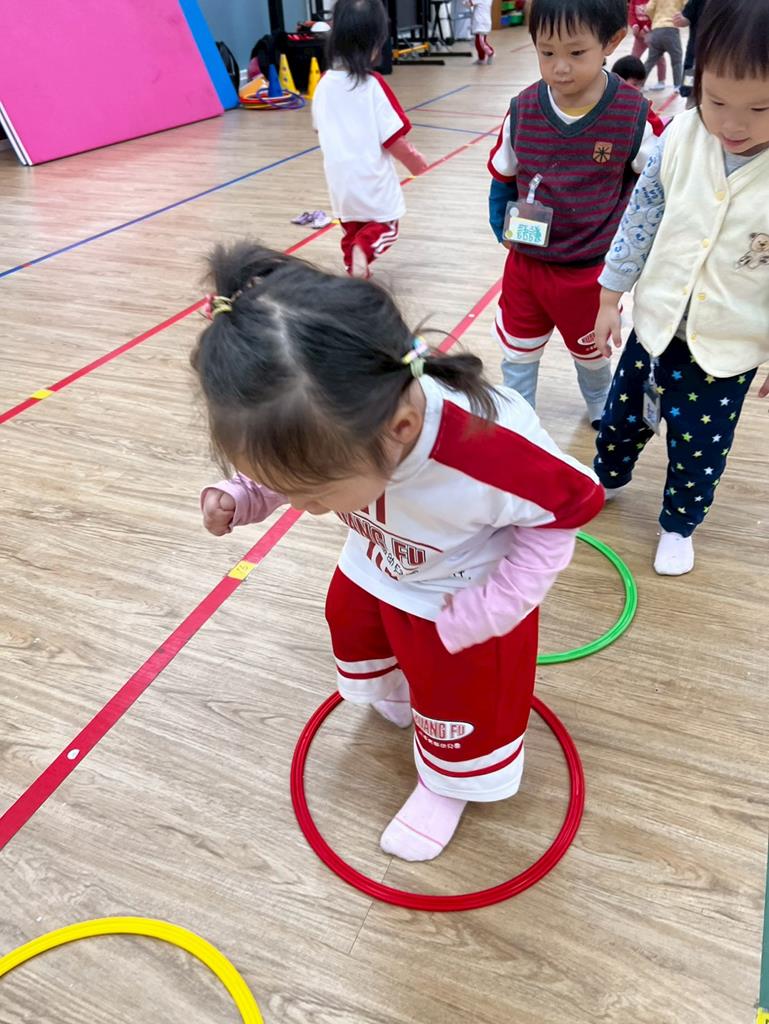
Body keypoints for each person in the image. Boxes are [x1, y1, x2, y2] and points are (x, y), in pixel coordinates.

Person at [193, 242, 604, 862]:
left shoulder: (490, 451)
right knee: (353, 625)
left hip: (460, 593)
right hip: (379, 559)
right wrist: (246, 492)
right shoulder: (341, 419)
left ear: (401, 430)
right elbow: (292, 464)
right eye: (289, 488)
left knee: (463, 696)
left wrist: (498, 605)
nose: (305, 508)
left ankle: (449, 781)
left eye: (315, 492)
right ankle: (404, 694)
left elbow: (569, 507)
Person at [593, 0, 769, 575]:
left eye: (760, 108)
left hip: (727, 350)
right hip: (654, 327)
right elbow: (639, 220)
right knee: (622, 417)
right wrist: (610, 295)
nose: (734, 125)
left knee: (700, 448)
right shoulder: (680, 137)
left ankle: (679, 523)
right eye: (715, 101)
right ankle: (607, 477)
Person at [488, 0, 655, 429]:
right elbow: (504, 175)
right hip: (526, 266)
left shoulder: (632, 115)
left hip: (589, 273)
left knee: (592, 353)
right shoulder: (523, 108)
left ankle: (600, 403)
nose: (560, 67)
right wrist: (500, 226)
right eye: (547, 52)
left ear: (611, 42)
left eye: (576, 53)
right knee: (518, 352)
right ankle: (518, 416)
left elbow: (654, 187)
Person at [311, 0, 429, 278]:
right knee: (386, 226)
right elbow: (393, 139)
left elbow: (319, 129)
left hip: (340, 182)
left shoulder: (323, 85)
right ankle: (361, 255)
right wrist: (416, 162)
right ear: (374, 45)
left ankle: (356, 275)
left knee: (352, 230)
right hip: (371, 180)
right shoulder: (373, 85)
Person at [611, 55, 666, 134]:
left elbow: (658, 127)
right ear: (619, 81)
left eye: (641, 84)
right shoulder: (606, 102)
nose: (638, 89)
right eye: (635, 84)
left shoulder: (641, 104)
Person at [643, 0, 684, 89]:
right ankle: (677, 86)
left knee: (650, 61)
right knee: (677, 60)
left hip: (656, 29)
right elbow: (688, 5)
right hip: (671, 28)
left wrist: (655, 19)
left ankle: (639, 84)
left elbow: (648, 9)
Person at [628, 0, 667, 90]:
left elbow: (657, 15)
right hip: (639, 35)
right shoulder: (634, 1)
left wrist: (646, 29)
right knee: (634, 57)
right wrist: (635, 25)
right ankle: (632, 81)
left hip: (653, 33)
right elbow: (631, 14)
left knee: (659, 58)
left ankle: (661, 81)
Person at [674, 0, 705, 108]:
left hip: (722, 54)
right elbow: (687, 17)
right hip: (696, 53)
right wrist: (681, 20)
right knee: (690, 91)